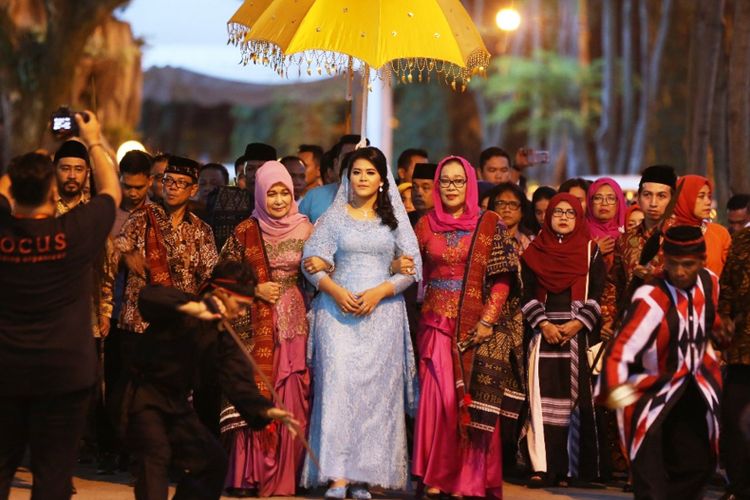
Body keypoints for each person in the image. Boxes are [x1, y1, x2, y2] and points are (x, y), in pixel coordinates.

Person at [0, 111, 121, 498]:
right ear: (54, 192)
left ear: (13, 193)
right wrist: (94, 139)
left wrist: (35, 153)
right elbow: (111, 193)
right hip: (63, 374)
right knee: (53, 479)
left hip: (7, 371)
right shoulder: (74, 232)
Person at [300, 147, 420, 499]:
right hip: (336, 314)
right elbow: (312, 261)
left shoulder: (394, 222)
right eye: (356, 172)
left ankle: (363, 477)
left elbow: (413, 268)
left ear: (382, 180)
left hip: (382, 314)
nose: (363, 178)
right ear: (346, 177)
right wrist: (335, 291)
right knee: (336, 388)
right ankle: (336, 475)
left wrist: (381, 290)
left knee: (374, 396)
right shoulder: (334, 218)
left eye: (370, 172)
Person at [124, 262, 298, 500]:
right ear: (221, 294)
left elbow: (237, 381)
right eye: (239, 305)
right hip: (144, 397)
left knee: (212, 461)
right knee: (155, 456)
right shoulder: (184, 305)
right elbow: (148, 297)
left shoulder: (222, 336)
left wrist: (265, 410)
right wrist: (192, 308)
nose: (239, 313)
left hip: (177, 406)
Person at [411, 156, 521, 498]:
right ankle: (436, 477)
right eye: (445, 181)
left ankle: (467, 481)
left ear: (470, 184)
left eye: (459, 181)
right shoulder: (425, 224)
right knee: (438, 402)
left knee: (470, 405)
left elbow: (504, 279)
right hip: (434, 324)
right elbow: (413, 272)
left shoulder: (490, 223)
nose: (452, 188)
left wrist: (488, 320)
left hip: (475, 327)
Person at [598, 225, 723, 500]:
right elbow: (621, 349)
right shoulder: (650, 295)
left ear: (702, 261)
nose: (679, 272)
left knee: (698, 469)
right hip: (650, 396)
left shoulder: (710, 283)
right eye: (672, 264)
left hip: (694, 394)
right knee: (651, 484)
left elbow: (713, 324)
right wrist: (615, 390)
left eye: (688, 264)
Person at [219, 161, 313, 497]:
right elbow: (221, 276)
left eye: (283, 192)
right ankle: (248, 475)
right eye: (271, 193)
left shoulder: (306, 228)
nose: (277, 200)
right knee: (256, 393)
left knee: (293, 393)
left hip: (294, 322)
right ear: (259, 193)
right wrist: (255, 289)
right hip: (254, 321)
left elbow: (319, 272)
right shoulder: (246, 230)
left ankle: (286, 476)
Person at [521, 193, 606, 488]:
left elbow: (597, 293)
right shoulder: (534, 251)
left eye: (571, 213)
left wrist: (577, 324)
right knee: (540, 403)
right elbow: (527, 294)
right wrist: (543, 324)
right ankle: (542, 467)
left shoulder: (590, 251)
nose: (565, 217)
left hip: (577, 336)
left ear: (580, 217)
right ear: (548, 216)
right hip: (542, 334)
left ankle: (571, 470)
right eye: (559, 212)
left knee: (575, 401)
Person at [600, 165, 677, 340]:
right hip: (633, 329)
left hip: (672, 328)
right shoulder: (626, 240)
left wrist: (656, 276)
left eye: (661, 196)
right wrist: (609, 320)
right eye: (647, 195)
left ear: (672, 199)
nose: (653, 203)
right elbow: (613, 283)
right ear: (638, 198)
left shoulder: (684, 237)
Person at [718, 223, 750, 499]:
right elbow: (726, 289)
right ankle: (737, 487)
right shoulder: (742, 241)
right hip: (743, 351)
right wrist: (725, 321)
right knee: (734, 418)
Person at [670, 175, 731, 276]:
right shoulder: (665, 234)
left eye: (709, 196)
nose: (708, 202)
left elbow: (730, 275)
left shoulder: (719, 233)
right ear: (685, 198)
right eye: (701, 196)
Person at [298, 135, 364, 224]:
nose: (352, 162)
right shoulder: (314, 196)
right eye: (347, 157)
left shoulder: (375, 199)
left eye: (359, 158)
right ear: (336, 163)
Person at [586, 177, 627, 271]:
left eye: (611, 198)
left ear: (618, 202)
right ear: (590, 202)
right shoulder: (580, 231)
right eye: (598, 198)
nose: (604, 203)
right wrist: (592, 251)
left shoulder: (630, 229)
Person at [488, 182, 534, 254]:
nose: (507, 209)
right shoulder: (484, 240)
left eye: (513, 204)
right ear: (492, 208)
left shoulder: (531, 243)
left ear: (522, 211)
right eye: (501, 203)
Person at [54, 139, 91, 214]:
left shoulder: (93, 209)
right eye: (65, 169)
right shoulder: (43, 207)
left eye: (78, 169)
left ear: (87, 172)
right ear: (54, 169)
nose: (72, 176)